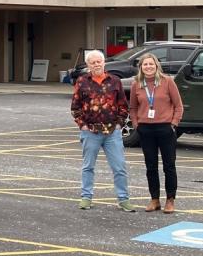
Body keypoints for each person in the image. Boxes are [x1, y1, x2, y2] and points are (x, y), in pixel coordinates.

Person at [70, 49, 135, 211]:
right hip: (90, 131)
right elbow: (75, 107)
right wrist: (82, 125)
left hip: (112, 132)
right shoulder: (81, 81)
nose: (96, 64)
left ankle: (123, 199)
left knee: (119, 167)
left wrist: (120, 124)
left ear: (104, 62)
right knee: (88, 167)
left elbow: (123, 105)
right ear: (88, 65)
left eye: (99, 61)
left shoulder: (115, 81)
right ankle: (86, 197)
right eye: (93, 62)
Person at [129, 53, 184, 213]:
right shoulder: (136, 84)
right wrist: (136, 124)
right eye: (145, 64)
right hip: (145, 129)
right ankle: (154, 199)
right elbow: (132, 107)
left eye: (151, 64)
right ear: (141, 67)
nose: (148, 67)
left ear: (156, 66)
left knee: (169, 166)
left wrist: (173, 124)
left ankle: (170, 200)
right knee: (150, 166)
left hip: (165, 128)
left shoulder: (168, 82)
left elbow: (178, 105)